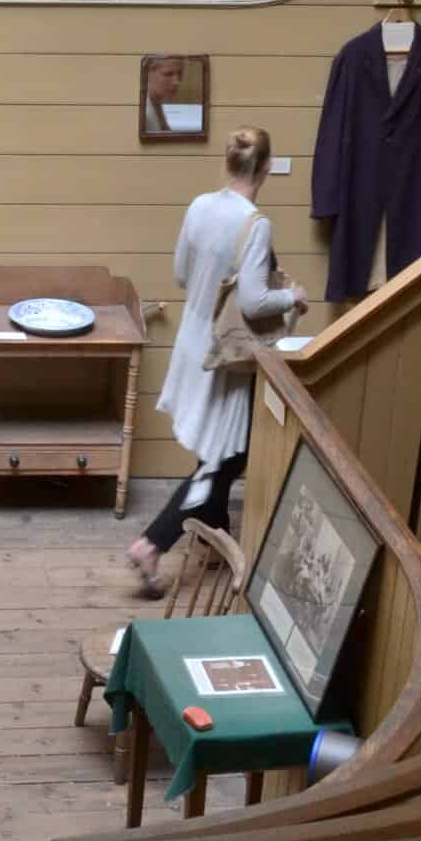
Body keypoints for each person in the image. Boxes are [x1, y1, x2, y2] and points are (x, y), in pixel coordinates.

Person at [125, 126, 301, 595]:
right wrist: (292, 296)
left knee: (219, 450)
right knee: (224, 457)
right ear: (264, 168)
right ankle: (152, 544)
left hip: (191, 343)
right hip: (223, 358)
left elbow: (182, 274)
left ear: (228, 163)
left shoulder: (200, 206)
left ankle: (213, 535)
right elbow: (255, 300)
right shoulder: (255, 223)